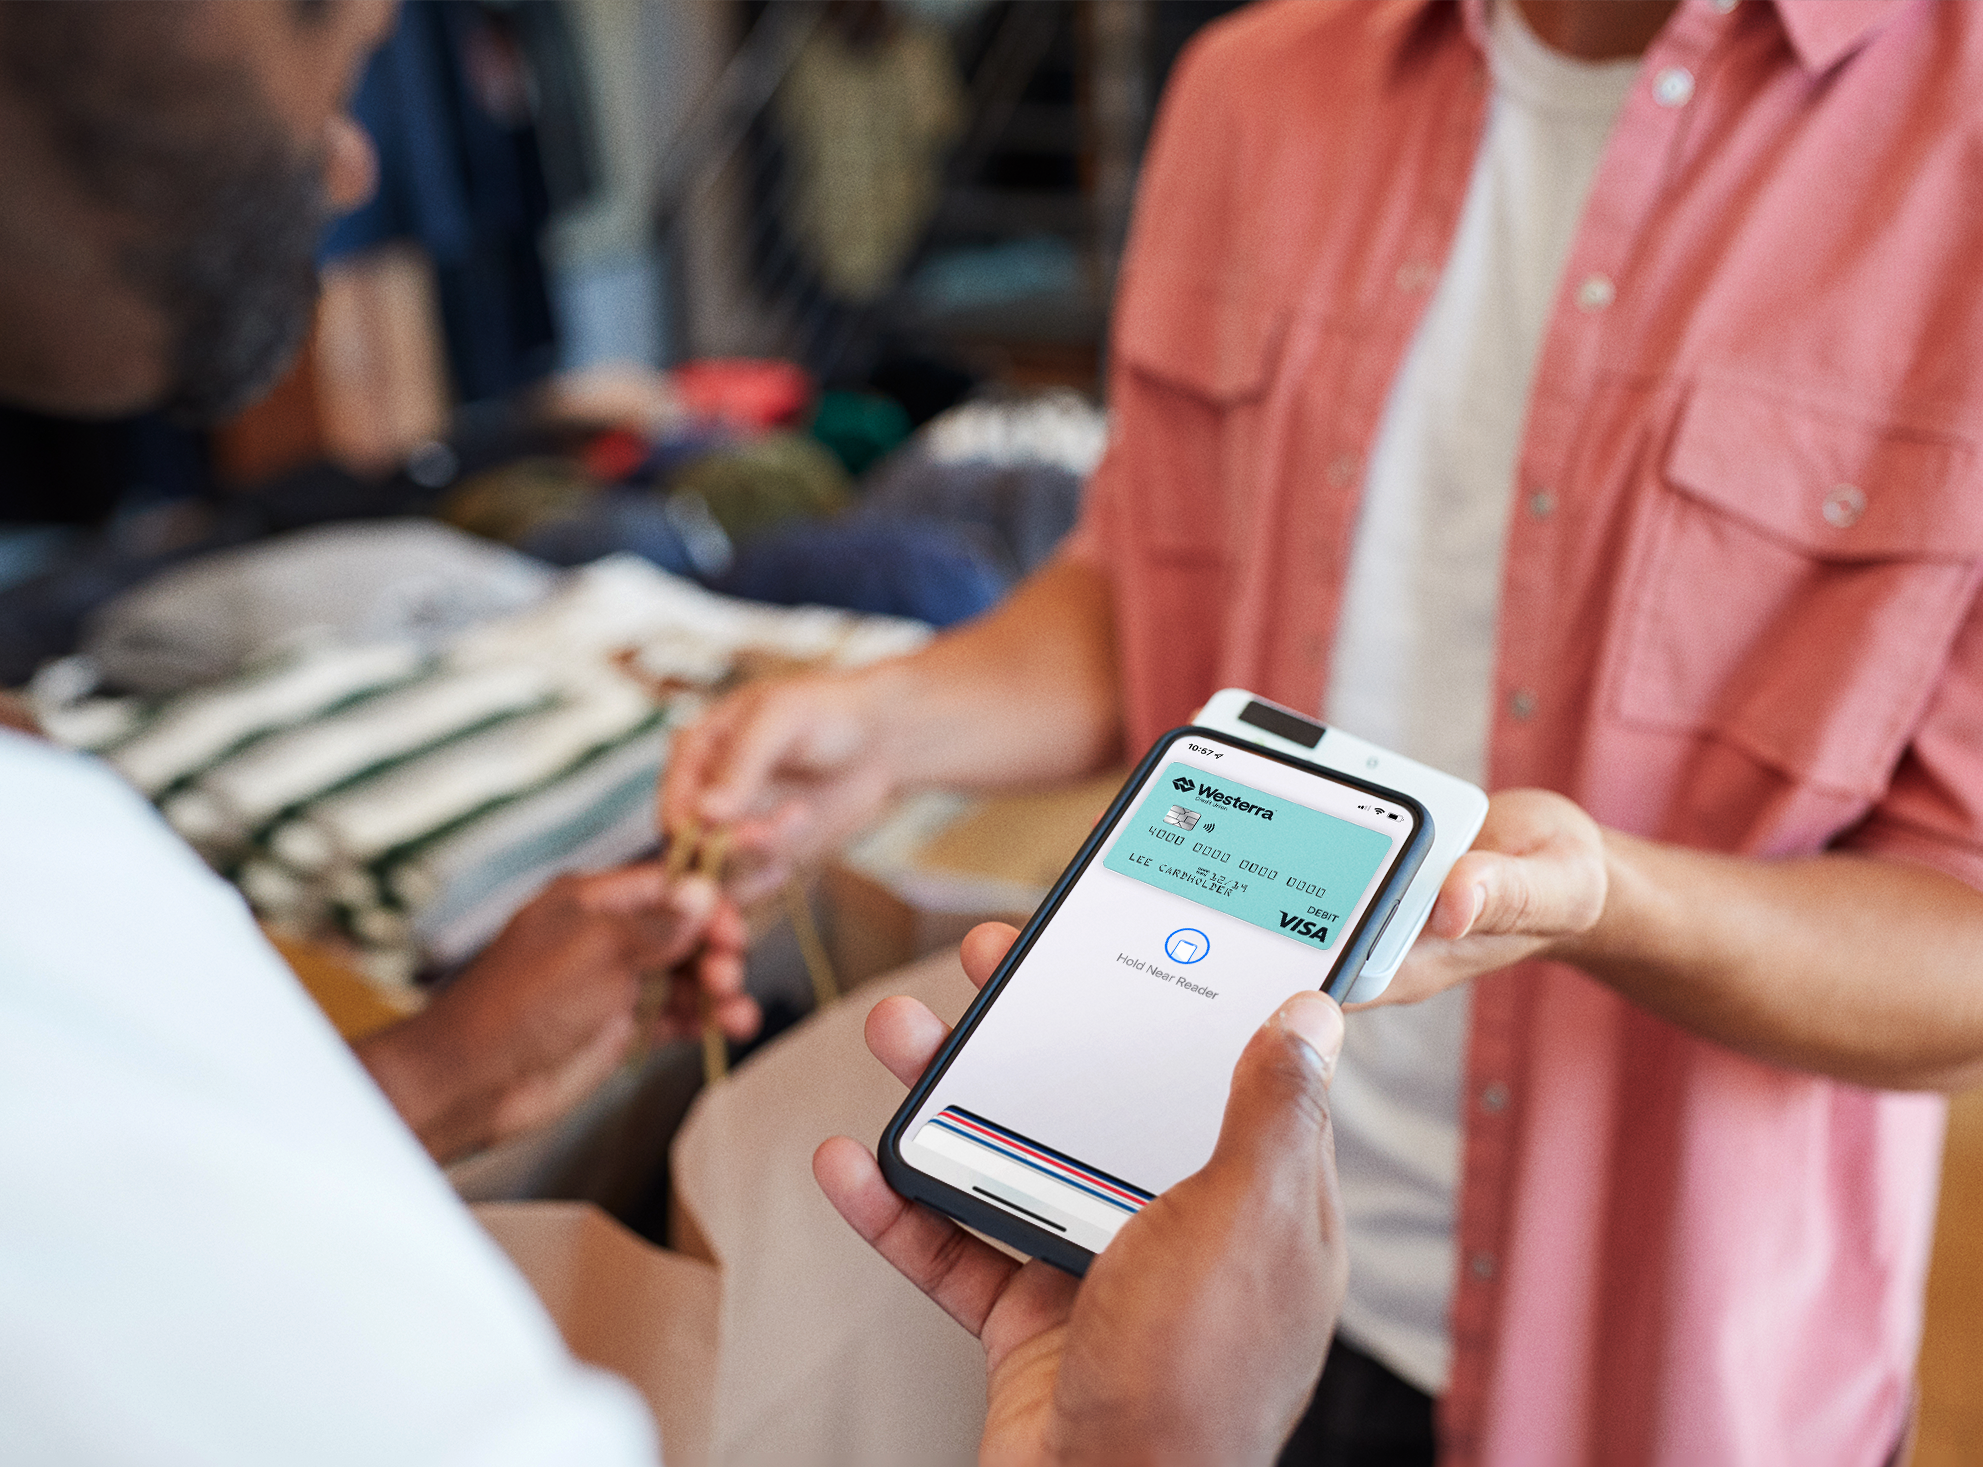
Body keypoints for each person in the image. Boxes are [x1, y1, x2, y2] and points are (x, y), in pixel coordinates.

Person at [0, 1, 1353, 1460]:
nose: (349, 164)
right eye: (318, 29)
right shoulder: (59, 916)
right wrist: (1157, 1440)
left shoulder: (73, 896)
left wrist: (434, 1072)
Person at [665, 0, 1983, 1462]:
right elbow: (1149, 586)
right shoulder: (1252, 87)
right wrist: (890, 722)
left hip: (1663, 1354)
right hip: (1191, 1264)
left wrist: (1605, 899)